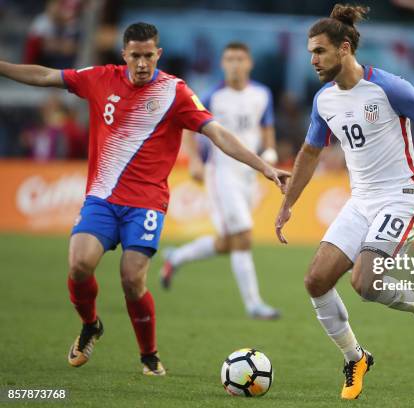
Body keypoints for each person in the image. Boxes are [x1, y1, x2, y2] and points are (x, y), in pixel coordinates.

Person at [0, 22, 289, 376]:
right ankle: (91, 325)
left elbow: (217, 133)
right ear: (124, 54)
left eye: (148, 55)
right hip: (102, 198)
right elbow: (46, 76)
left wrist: (264, 166)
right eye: (135, 55)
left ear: (158, 54)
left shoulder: (175, 92)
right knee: (78, 265)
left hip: (146, 204)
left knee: (131, 279)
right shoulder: (99, 78)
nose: (141, 63)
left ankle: (148, 354)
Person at [275, 4, 414, 400]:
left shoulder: (390, 88)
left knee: (366, 281)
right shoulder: (324, 100)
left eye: (320, 51)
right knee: (315, 280)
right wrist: (288, 203)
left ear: (344, 49)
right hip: (361, 202)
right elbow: (309, 153)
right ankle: (354, 357)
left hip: (402, 199)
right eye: (310, 53)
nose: (313, 60)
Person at [160, 42, 281, 320]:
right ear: (222, 64)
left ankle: (175, 258)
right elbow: (190, 130)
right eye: (229, 59)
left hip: (249, 175)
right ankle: (254, 305)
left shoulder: (262, 94)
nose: (235, 64)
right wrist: (195, 160)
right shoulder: (213, 96)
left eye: (240, 59)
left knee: (229, 242)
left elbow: (266, 127)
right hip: (223, 173)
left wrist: (270, 150)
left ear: (249, 63)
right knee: (243, 236)